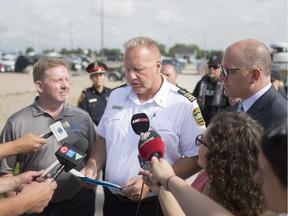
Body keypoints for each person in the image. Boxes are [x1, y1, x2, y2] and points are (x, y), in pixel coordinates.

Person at [81, 36, 206, 216]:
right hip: (113, 202)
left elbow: (196, 157)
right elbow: (104, 137)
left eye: (138, 69)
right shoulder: (117, 96)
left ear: (158, 66)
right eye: (127, 70)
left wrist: (153, 181)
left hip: (156, 203)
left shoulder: (183, 104)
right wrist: (92, 166)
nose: (131, 76)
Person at [0, 57, 97, 216]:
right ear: (40, 86)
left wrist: (91, 193)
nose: (65, 85)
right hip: (36, 209)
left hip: (80, 204)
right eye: (58, 80)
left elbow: (93, 160)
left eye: (67, 79)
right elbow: (5, 172)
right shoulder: (17, 122)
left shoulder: (83, 118)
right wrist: (20, 206)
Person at [141, 112, 267, 216]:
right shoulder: (206, 174)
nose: (198, 146)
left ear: (220, 153)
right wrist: (162, 189)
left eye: (201, 140)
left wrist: (169, 178)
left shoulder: (240, 200)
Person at [219, 38, 287, 129]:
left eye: (227, 71)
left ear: (254, 75)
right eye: (221, 69)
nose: (221, 77)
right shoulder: (236, 109)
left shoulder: (282, 120)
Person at [193, 55, 229, 125]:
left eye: (215, 67)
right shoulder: (201, 83)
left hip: (219, 122)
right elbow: (193, 100)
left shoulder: (227, 84)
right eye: (210, 66)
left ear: (221, 68)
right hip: (201, 122)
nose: (211, 69)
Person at [78, 62, 112, 126]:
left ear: (104, 76)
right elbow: (82, 116)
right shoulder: (86, 95)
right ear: (91, 78)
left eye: (100, 75)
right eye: (95, 75)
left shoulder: (111, 93)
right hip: (94, 131)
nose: (98, 78)